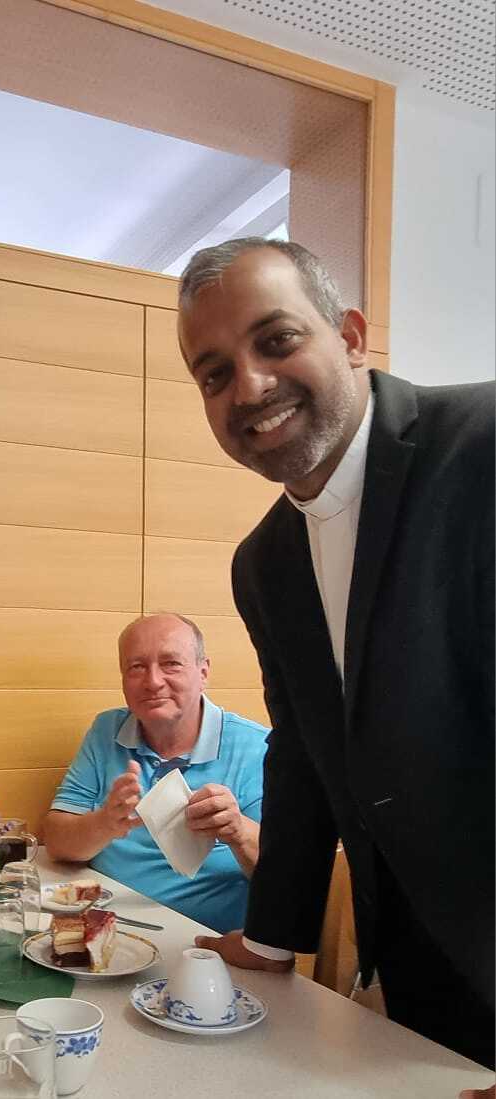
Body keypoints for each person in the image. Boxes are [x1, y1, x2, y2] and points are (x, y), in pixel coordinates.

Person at [176, 237, 494, 1074]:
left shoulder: (484, 443)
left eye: (276, 339)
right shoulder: (262, 562)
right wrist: (270, 936)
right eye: (214, 373)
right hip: (419, 961)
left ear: (349, 335)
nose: (249, 386)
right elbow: (304, 752)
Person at [41, 613, 269, 932]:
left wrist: (239, 831)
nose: (153, 682)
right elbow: (57, 843)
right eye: (136, 667)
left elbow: (289, 877)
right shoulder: (106, 730)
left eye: (171, 664)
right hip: (107, 926)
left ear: (203, 672)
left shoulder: (257, 746)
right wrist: (105, 823)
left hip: (201, 941)